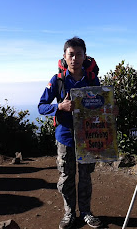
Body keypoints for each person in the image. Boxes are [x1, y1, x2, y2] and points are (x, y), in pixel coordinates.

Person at [38, 37, 103, 229]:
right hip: (65, 136)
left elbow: (101, 104)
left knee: (85, 176)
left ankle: (85, 212)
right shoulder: (57, 80)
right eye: (71, 55)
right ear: (65, 57)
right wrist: (60, 106)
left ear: (85, 56)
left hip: (88, 136)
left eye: (79, 54)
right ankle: (69, 213)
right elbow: (41, 107)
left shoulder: (91, 79)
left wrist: (110, 110)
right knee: (66, 177)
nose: (74, 58)